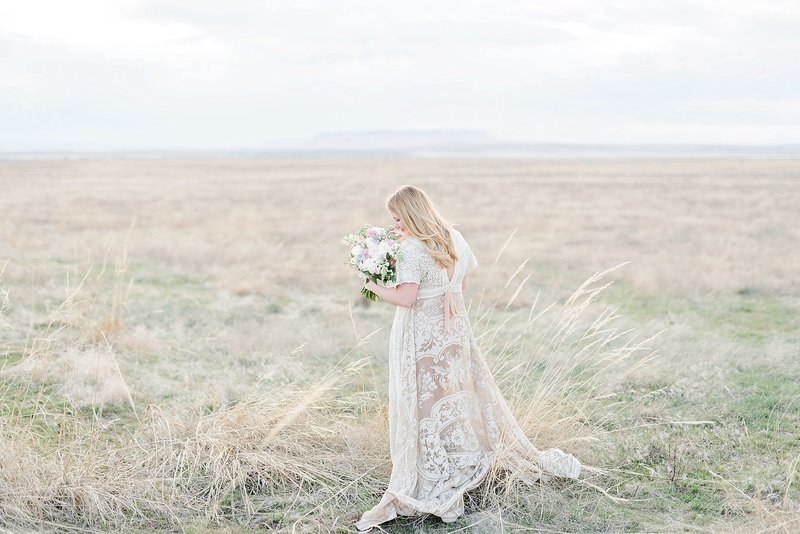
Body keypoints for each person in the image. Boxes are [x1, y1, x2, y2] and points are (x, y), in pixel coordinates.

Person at [355, 185, 581, 531]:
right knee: (454, 393)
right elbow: (461, 286)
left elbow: (406, 298)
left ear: (413, 214)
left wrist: (370, 282)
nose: (395, 225)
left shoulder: (413, 250)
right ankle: (458, 454)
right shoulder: (454, 238)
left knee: (423, 400)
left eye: (398, 218)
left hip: (420, 334)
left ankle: (433, 468)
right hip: (454, 330)